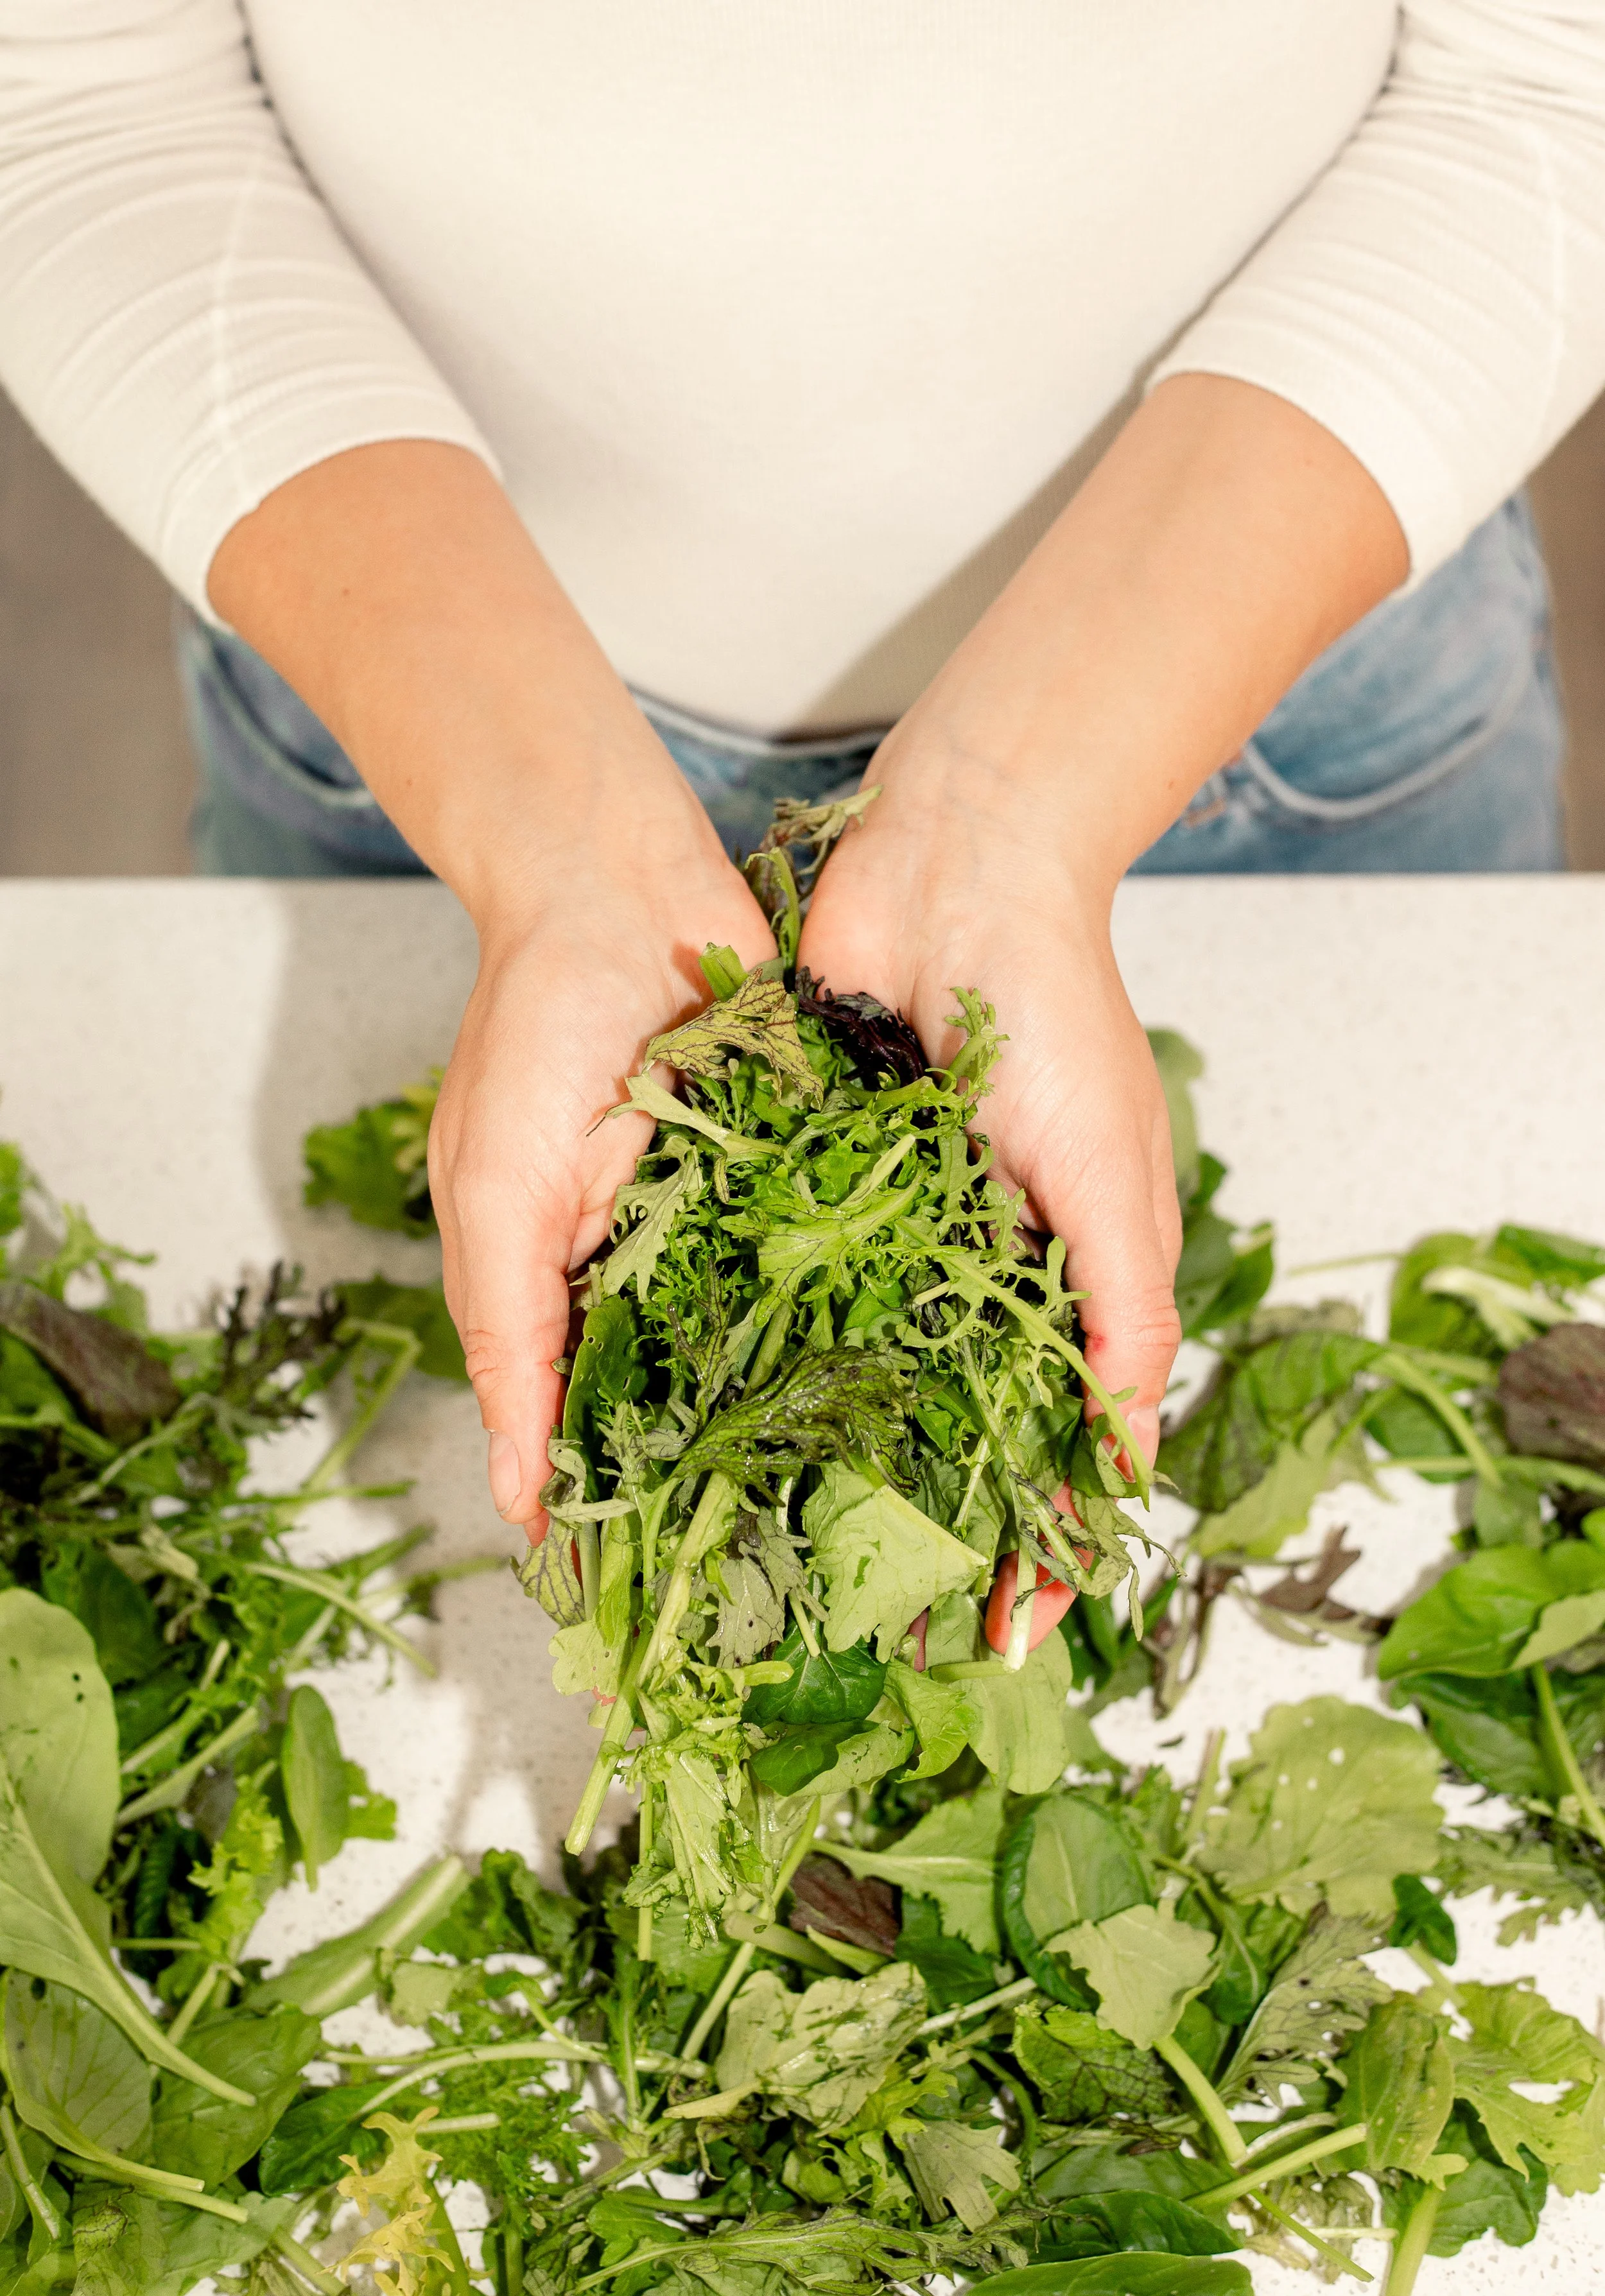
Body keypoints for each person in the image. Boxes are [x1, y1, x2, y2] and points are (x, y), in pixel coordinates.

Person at [1, 5, 1601, 1558]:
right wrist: (556, 846)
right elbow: (77, 97)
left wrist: (1012, 822)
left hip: (1284, 665)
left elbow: (1551, 77)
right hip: (409, 687)